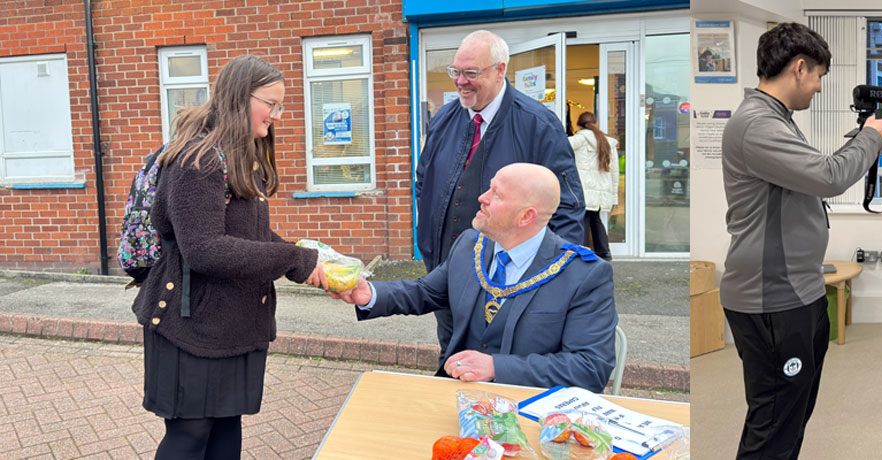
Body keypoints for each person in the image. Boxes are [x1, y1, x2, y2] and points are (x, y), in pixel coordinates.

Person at [131, 55, 327, 460]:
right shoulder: (198, 159)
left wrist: (305, 259)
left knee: (225, 431)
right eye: (270, 104)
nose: (276, 115)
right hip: (189, 326)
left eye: (280, 106)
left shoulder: (239, 155)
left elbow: (247, 235)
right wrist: (293, 258)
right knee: (190, 437)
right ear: (240, 97)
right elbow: (203, 248)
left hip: (226, 324)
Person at [719, 22, 882, 460]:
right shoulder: (757, 124)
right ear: (799, 68)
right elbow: (828, 177)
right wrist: (873, 138)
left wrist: (863, 141)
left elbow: (815, 171)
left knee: (791, 416)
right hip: (772, 299)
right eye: (818, 76)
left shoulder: (775, 120)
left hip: (796, 292)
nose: (818, 88)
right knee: (774, 422)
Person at [330, 163, 616, 393]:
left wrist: (496, 367)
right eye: (489, 187)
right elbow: (426, 292)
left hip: (533, 412)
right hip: (458, 397)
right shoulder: (471, 244)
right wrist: (369, 294)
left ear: (526, 216)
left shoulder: (584, 274)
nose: (482, 198)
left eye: (497, 194)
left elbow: (589, 368)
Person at [414, 30, 586, 363]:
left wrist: (554, 283)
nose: (460, 82)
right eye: (455, 72)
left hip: (513, 286)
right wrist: (430, 253)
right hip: (451, 276)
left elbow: (566, 208)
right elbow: (424, 182)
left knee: (504, 370)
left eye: (471, 74)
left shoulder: (538, 125)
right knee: (453, 361)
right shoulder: (443, 121)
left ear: (499, 70)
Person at [569, 111, 619, 260]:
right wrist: (614, 195)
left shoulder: (580, 138)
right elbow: (614, 171)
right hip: (601, 190)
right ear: (596, 124)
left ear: (578, 126)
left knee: (583, 219)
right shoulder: (608, 142)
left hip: (584, 188)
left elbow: (559, 147)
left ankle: (584, 252)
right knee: (596, 219)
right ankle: (604, 252)